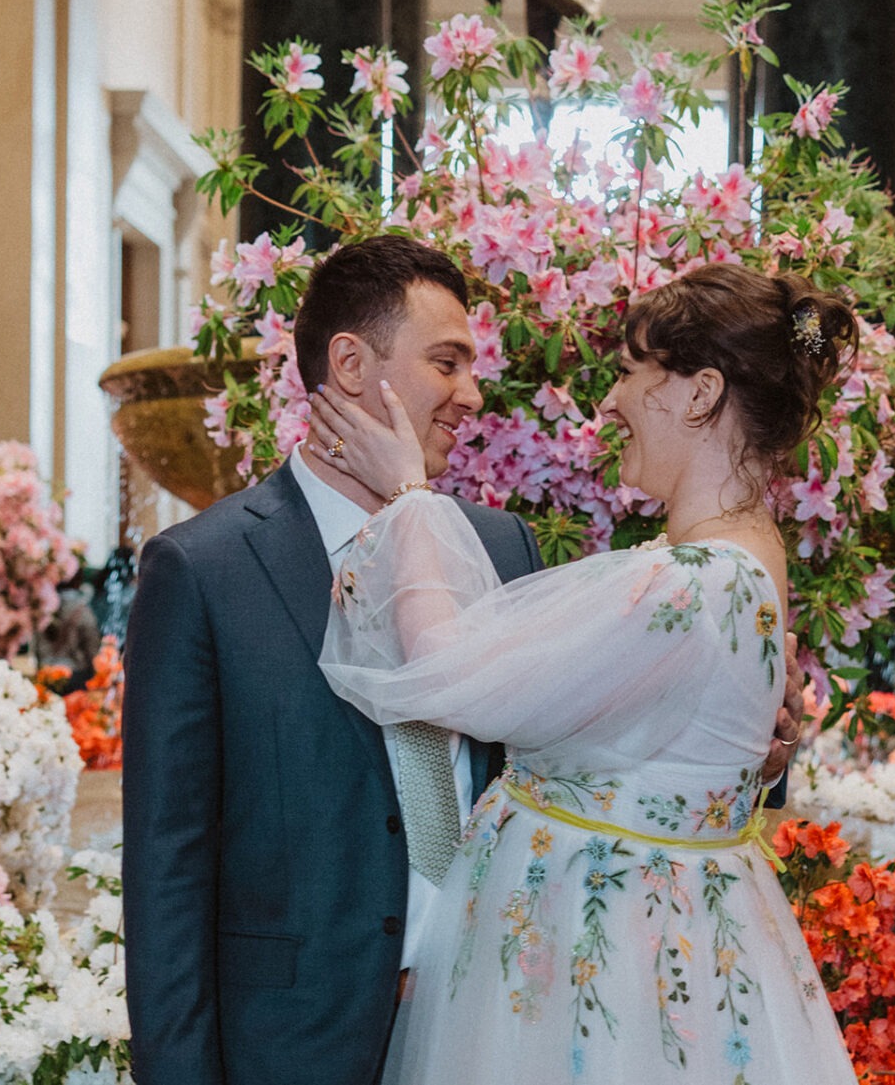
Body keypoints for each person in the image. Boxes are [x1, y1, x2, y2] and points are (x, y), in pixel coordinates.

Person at [120, 236, 802, 1085]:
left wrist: (756, 746)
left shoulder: (501, 546)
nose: (473, 394)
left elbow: (604, 734)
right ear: (351, 362)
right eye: (448, 361)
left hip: (503, 1025)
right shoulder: (205, 570)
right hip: (296, 1041)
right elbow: (166, 870)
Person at [310, 261, 860, 1084]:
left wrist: (410, 499)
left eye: (633, 372)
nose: (609, 401)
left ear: (702, 393)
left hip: (596, 977)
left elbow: (444, 667)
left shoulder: (691, 582)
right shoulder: (737, 562)